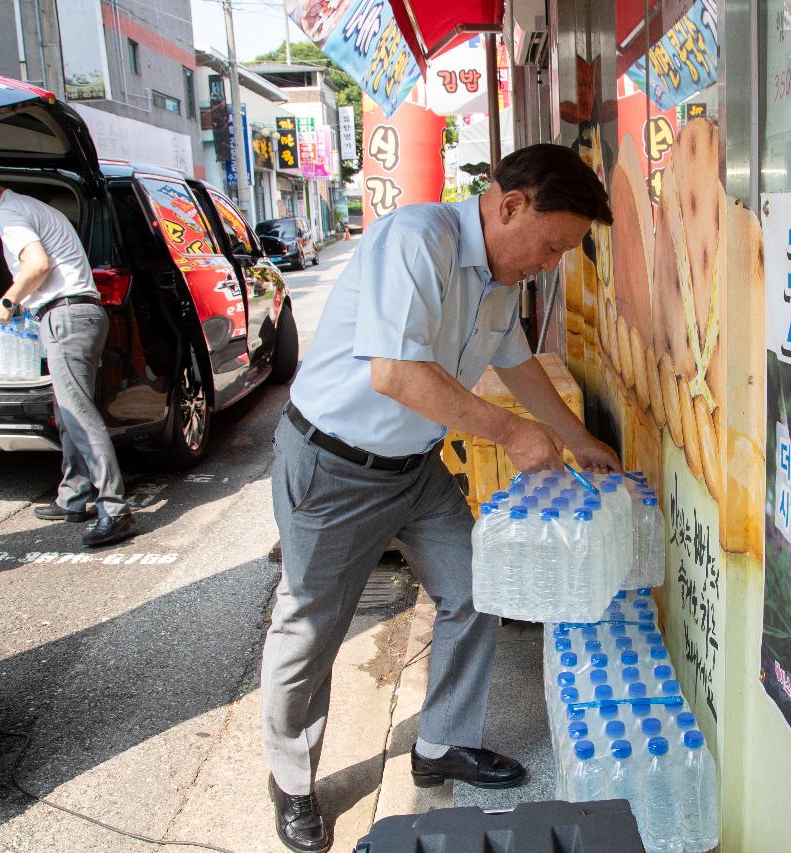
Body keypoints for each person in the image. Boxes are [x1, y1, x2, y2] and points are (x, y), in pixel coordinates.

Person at [261, 143, 619, 852]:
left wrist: (575, 437)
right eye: (551, 245)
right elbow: (397, 373)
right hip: (334, 467)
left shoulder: (498, 274)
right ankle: (291, 778)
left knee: (473, 585)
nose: (550, 264)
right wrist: (514, 436)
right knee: (311, 628)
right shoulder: (417, 241)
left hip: (414, 465)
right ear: (510, 205)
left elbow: (514, 362)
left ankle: (443, 741)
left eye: (564, 253)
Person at [0, 165, 135, 547]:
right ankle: (73, 497)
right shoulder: (27, 208)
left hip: (67, 317)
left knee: (79, 417)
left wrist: (9, 300)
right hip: (78, 316)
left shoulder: (9, 213)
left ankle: (114, 509)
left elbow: (37, 264)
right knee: (67, 411)